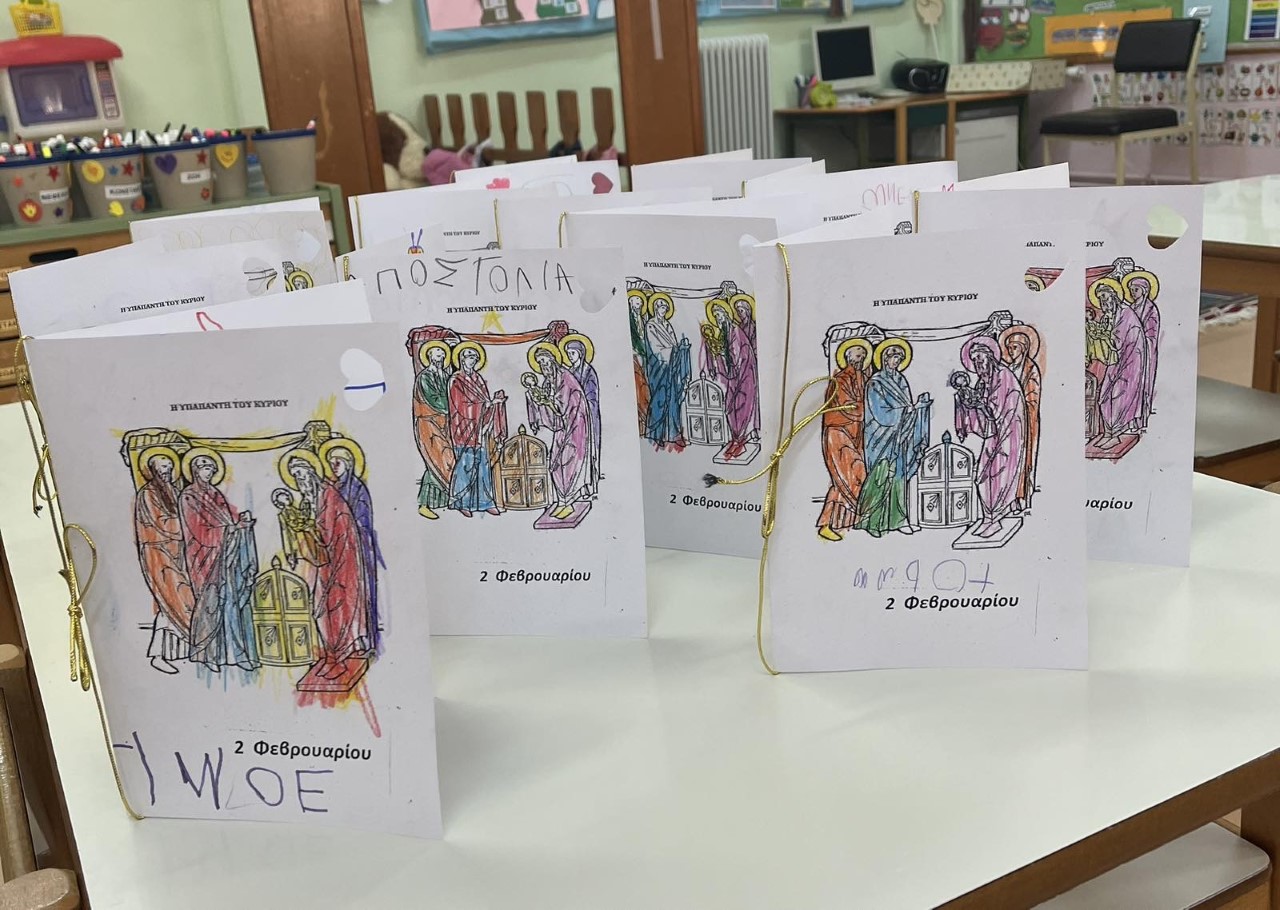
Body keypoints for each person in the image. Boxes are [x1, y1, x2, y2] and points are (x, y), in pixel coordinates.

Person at [285, 450, 369, 679]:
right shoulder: (307, 502)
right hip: (321, 564)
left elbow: (336, 531)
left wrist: (311, 532)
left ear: (312, 472)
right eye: (296, 476)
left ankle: (340, 656)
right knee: (319, 610)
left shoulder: (329, 495)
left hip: (341, 563)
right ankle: (330, 654)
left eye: (302, 474)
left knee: (337, 608)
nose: (300, 480)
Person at [179, 449, 259, 673]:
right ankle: (208, 655)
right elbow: (198, 530)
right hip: (205, 559)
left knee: (230, 606)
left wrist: (240, 523)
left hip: (226, 558)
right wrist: (231, 529)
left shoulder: (216, 495)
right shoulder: (188, 496)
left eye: (212, 469)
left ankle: (234, 655)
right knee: (211, 607)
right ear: (195, 470)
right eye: (205, 468)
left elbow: (227, 520)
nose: (209, 473)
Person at [856, 339, 929, 538]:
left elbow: (907, 407)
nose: (895, 361)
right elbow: (881, 414)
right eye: (892, 357)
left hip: (900, 437)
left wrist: (919, 408)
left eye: (899, 358)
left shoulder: (901, 381)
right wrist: (909, 409)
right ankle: (872, 522)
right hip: (881, 438)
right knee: (880, 477)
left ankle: (898, 521)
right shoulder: (875, 382)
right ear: (884, 359)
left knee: (898, 478)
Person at [134, 448, 194, 675]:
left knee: (175, 603)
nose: (166, 472)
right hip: (157, 553)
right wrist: (186, 523)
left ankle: (165, 653)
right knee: (172, 599)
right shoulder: (147, 494)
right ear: (152, 470)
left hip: (176, 553)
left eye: (169, 467)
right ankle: (158, 655)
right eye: (162, 468)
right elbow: (162, 523)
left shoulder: (173, 490)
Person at [961, 336, 1028, 538]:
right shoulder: (983, 382)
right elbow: (981, 415)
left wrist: (980, 404)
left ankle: (994, 518)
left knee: (999, 473)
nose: (978, 364)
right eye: (974, 361)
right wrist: (968, 403)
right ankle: (988, 517)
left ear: (990, 357)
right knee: (982, 475)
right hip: (993, 433)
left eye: (980, 359)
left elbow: (1000, 408)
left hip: (1009, 433)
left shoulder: (1003, 376)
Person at [324, 441, 383, 654]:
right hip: (341, 548)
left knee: (361, 593)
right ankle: (348, 640)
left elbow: (363, 518)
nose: (334, 466)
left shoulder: (357, 488)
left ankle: (365, 640)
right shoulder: (334, 489)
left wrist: (349, 526)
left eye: (337, 462)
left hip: (358, 548)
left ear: (348, 463)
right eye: (331, 462)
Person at [526, 343, 591, 520]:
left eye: (545, 361)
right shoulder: (548, 382)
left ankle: (568, 502)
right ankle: (562, 501)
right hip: (562, 429)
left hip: (575, 426)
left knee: (568, 462)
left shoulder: (565, 377)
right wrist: (537, 401)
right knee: (555, 463)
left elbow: (564, 405)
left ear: (553, 360)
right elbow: (550, 410)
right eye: (540, 363)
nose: (543, 365)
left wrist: (547, 401)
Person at [816, 338, 871, 542]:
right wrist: (866, 408)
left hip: (854, 434)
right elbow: (847, 406)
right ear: (847, 357)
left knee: (843, 481)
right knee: (852, 476)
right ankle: (830, 523)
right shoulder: (840, 380)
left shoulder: (861, 378)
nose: (860, 359)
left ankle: (833, 524)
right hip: (837, 433)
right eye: (857, 355)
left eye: (863, 356)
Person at [448, 342, 507, 516]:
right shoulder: (456, 380)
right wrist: (487, 404)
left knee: (483, 465)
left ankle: (485, 502)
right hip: (464, 429)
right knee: (466, 466)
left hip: (480, 430)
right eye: (469, 356)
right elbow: (460, 404)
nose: (472, 360)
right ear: (461, 359)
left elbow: (484, 399)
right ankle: (461, 502)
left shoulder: (479, 379)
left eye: (475, 357)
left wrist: (494, 404)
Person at [1092, 277, 1146, 450]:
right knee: (1104, 397)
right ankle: (1108, 433)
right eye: (1101, 299)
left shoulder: (1126, 313)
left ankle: (1115, 434)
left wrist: (1108, 336)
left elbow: (1122, 340)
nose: (1104, 302)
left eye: (1105, 297)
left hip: (1130, 363)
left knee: (1118, 396)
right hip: (1116, 361)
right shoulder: (1110, 315)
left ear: (1114, 295)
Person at [1001, 326, 1042, 511]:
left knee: (1024, 458)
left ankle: (1022, 498)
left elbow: (1033, 397)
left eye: (1015, 347)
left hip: (1025, 421)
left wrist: (1018, 405)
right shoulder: (1008, 369)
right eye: (1009, 348)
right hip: (1009, 422)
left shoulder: (1030, 369)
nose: (1011, 351)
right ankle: (1009, 499)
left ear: (1024, 348)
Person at [414, 340, 455, 520]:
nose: (441, 356)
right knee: (435, 460)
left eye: (443, 353)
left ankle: (442, 501)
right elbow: (435, 400)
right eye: (437, 353)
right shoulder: (425, 377)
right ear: (429, 356)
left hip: (444, 423)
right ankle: (424, 504)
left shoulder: (445, 375)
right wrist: (453, 406)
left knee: (447, 460)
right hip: (428, 423)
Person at [643, 293, 691, 450]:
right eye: (660, 306)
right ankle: (656, 435)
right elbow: (655, 347)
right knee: (660, 400)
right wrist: (673, 351)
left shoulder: (668, 325)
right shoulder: (651, 325)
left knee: (673, 401)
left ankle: (673, 434)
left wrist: (681, 348)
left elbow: (673, 344)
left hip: (671, 368)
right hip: (659, 369)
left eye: (665, 307)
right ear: (655, 308)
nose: (662, 309)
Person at [561, 334, 602, 496]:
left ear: (580, 353)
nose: (570, 356)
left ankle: (590, 486)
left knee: (588, 450)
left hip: (587, 417)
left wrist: (581, 404)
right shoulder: (569, 372)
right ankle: (577, 487)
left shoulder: (588, 372)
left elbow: (592, 396)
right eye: (568, 353)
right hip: (574, 417)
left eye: (572, 353)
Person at [1123, 270, 1160, 430]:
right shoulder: (1131, 308)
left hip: (1145, 353)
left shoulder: (1150, 309)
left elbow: (1152, 332)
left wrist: (1140, 339)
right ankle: (1129, 420)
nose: (1133, 293)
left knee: (1142, 385)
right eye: (1131, 290)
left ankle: (1141, 421)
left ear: (1144, 290)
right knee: (1130, 386)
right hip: (1131, 352)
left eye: (1136, 289)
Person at [725, 294, 761, 460]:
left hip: (753, 368)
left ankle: (753, 432)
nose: (740, 313)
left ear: (748, 310)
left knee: (753, 401)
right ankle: (742, 434)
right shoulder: (737, 328)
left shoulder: (754, 327)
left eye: (742, 310)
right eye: (737, 310)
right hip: (742, 368)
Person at [272, 488, 326, 589]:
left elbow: (303, 516)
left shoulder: (293, 509)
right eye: (284, 497)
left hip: (307, 539)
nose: (287, 498)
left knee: (314, 571)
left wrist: (305, 507)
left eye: (287, 496)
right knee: (307, 572)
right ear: (280, 502)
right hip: (300, 542)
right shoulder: (284, 513)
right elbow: (293, 526)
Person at [628, 291, 651, 436]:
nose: (639, 305)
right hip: (634, 357)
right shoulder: (628, 319)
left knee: (645, 389)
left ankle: (645, 423)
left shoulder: (643, 319)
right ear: (630, 303)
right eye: (637, 302)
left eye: (641, 302)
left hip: (644, 357)